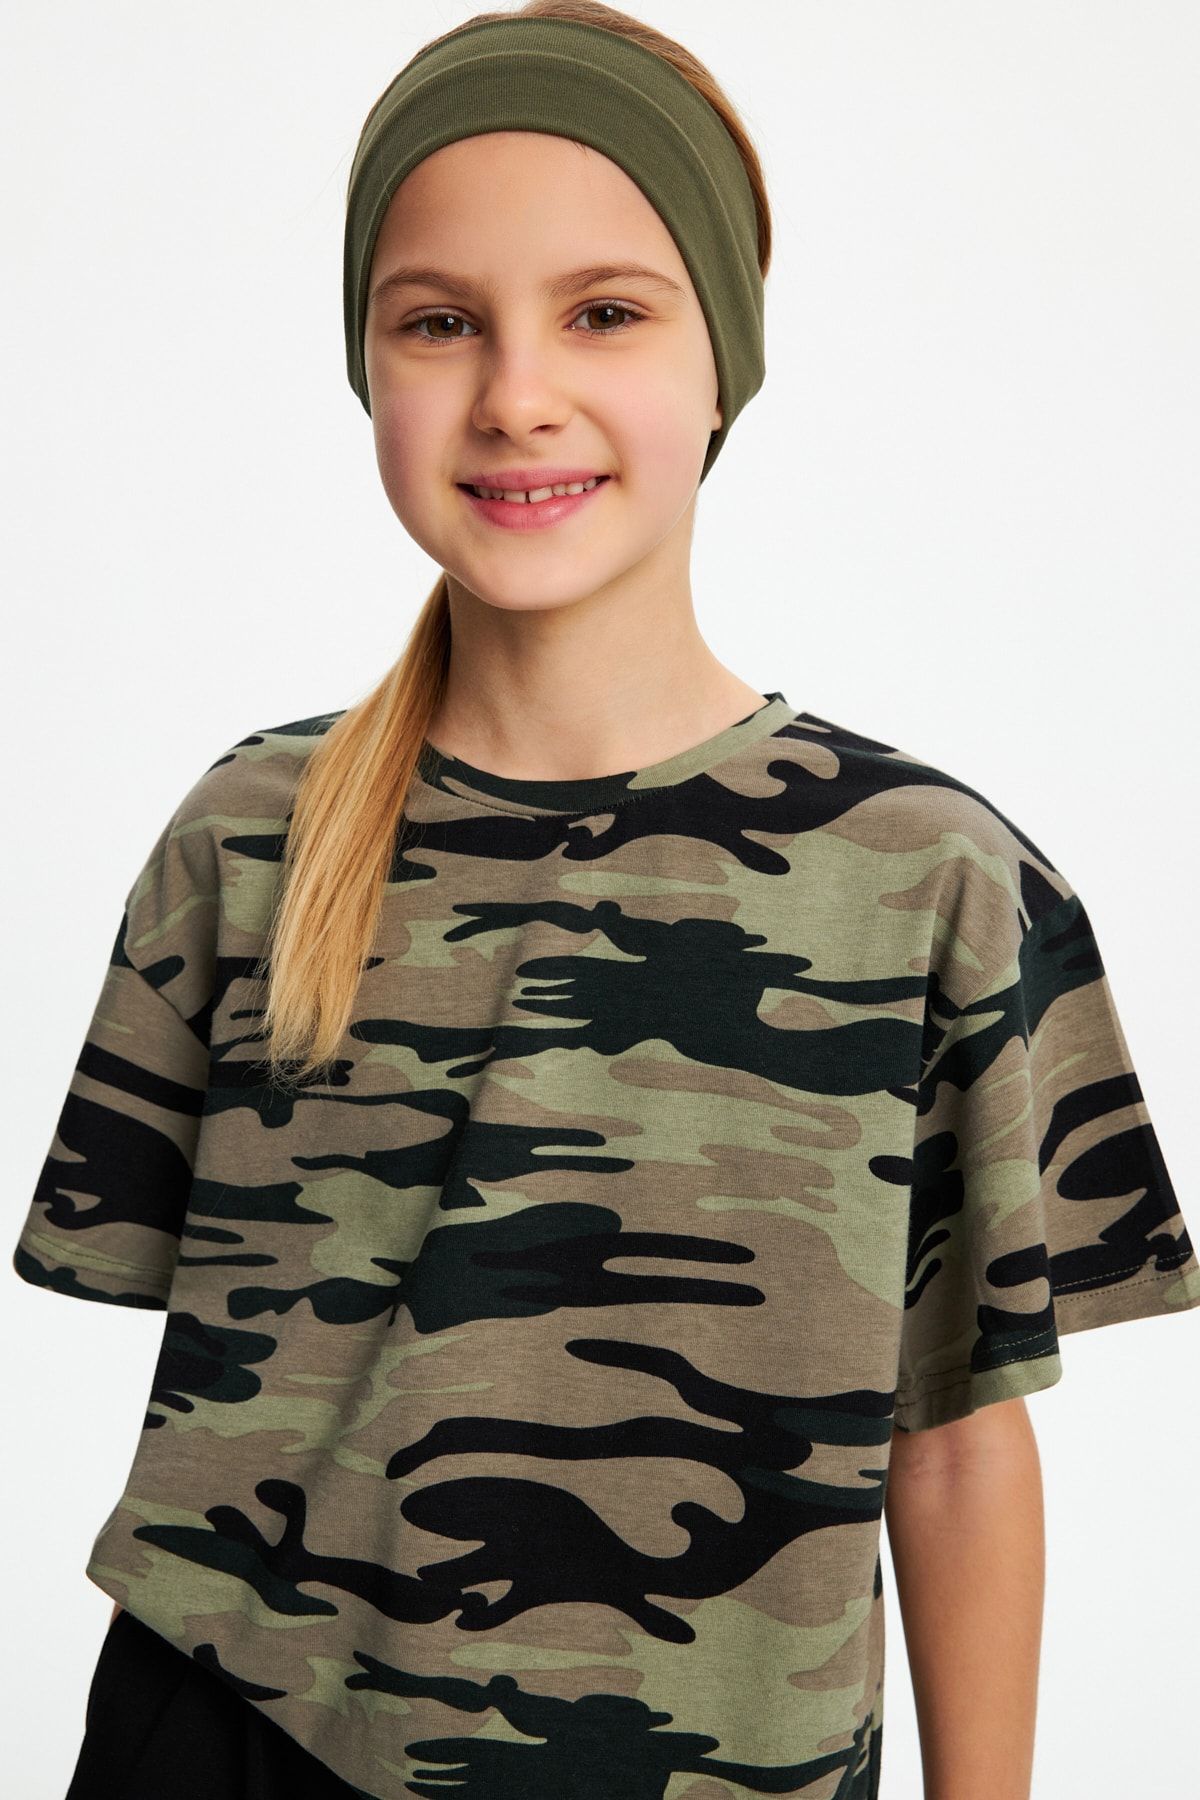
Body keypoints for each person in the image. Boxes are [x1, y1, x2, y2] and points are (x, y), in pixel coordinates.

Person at [13, 4, 1199, 1797]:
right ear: (366, 371)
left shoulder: (934, 880)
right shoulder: (248, 840)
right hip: (238, 1738)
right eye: (438, 321)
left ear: (725, 364)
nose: (514, 393)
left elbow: (958, 1444)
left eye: (605, 312)